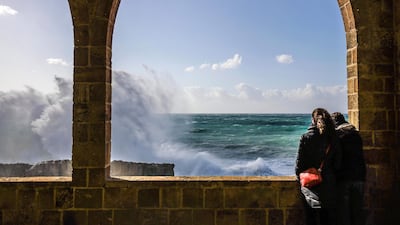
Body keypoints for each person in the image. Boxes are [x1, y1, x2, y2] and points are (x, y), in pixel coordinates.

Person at [295, 108, 342, 225]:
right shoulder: (333, 138)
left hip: (310, 183)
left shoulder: (305, 137)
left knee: (310, 218)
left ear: (313, 120)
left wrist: (300, 179)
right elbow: (338, 163)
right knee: (326, 218)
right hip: (328, 183)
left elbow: (299, 165)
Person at [331, 112, 366, 225]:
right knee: (357, 212)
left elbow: (335, 158)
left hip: (343, 178)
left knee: (343, 214)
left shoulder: (338, 136)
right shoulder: (356, 135)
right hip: (359, 177)